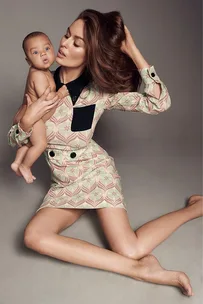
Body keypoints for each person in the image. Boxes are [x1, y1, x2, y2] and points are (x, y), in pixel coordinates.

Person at [7, 9, 203, 296]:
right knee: (34, 237)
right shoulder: (39, 82)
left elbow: (159, 103)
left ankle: (195, 209)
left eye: (77, 43)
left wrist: (132, 50)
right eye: (66, 35)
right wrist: (26, 120)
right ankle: (137, 269)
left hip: (94, 173)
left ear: (91, 54)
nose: (63, 44)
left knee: (130, 248)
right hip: (64, 181)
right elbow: (15, 138)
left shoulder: (100, 91)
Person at [11, 31, 67, 183]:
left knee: (30, 143)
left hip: (35, 116)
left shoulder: (45, 71)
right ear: (28, 60)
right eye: (35, 52)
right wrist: (61, 94)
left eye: (47, 49)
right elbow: (47, 98)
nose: (43, 54)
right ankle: (25, 166)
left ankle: (16, 162)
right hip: (34, 118)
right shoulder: (38, 75)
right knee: (41, 143)